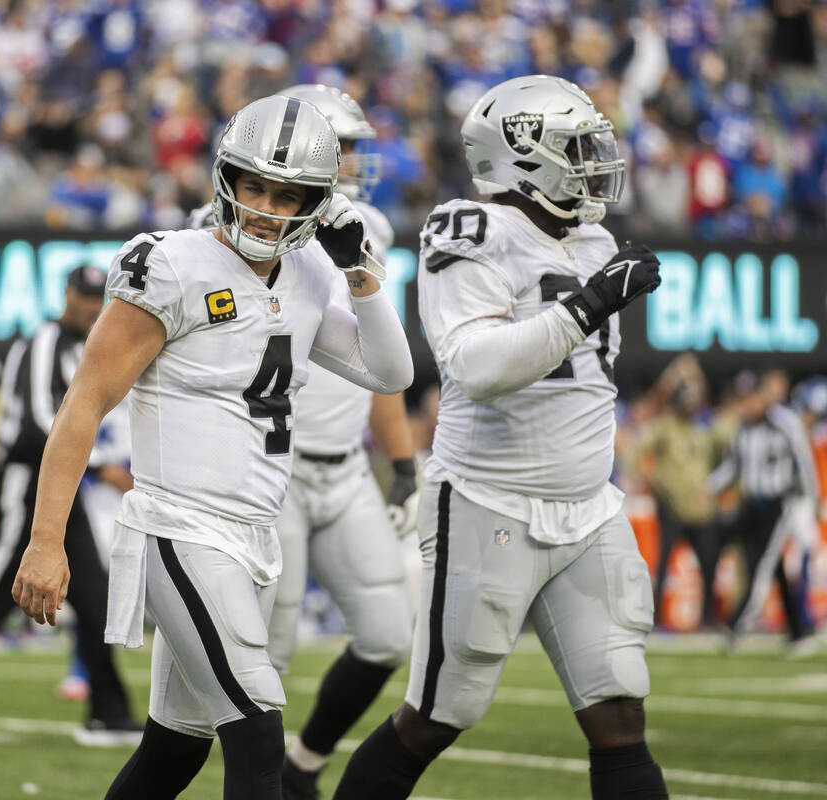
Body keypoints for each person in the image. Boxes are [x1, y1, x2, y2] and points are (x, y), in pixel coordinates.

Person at [12, 94, 413, 800]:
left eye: (287, 194)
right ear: (225, 177)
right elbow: (83, 405)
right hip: (181, 528)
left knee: (174, 752)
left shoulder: (314, 272)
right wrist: (47, 540)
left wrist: (361, 273)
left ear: (318, 203)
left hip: (253, 534)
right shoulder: (169, 264)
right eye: (252, 184)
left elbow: (390, 371)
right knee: (259, 734)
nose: (263, 205)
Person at [334, 75, 668, 799]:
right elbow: (476, 366)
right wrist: (593, 301)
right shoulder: (468, 229)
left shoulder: (594, 239)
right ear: (523, 155)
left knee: (619, 712)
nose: (591, 161)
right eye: (575, 147)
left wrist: (593, 294)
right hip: (489, 503)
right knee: (436, 716)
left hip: (588, 507)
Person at [192, 83, 418, 800]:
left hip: (346, 466)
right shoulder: (230, 228)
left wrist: (404, 459)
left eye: (353, 148)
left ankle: (304, 765)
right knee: (269, 656)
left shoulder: (366, 228)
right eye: (340, 146)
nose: (351, 162)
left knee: (388, 633)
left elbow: (380, 369)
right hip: (270, 469)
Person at [0, 264, 142, 746]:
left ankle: (108, 712)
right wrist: (98, 466)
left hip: (64, 487)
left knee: (94, 599)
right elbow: (36, 424)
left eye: (100, 297)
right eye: (86, 296)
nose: (93, 306)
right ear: (67, 294)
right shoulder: (45, 342)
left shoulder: (84, 344)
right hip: (29, 482)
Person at [708, 369, 819, 651]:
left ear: (761, 396)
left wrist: (813, 500)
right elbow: (732, 466)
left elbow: (804, 462)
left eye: (750, 398)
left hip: (779, 504)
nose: (746, 404)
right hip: (751, 506)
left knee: (761, 563)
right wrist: (709, 487)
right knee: (773, 568)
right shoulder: (743, 429)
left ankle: (737, 624)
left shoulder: (784, 424)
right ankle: (799, 630)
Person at [634, 374, 724, 629]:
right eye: (687, 400)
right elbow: (638, 454)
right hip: (671, 507)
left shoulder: (703, 429)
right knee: (662, 567)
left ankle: (708, 619)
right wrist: (654, 484)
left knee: (709, 565)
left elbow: (723, 456)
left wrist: (712, 490)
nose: (692, 405)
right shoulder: (664, 427)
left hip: (701, 510)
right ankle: (656, 618)